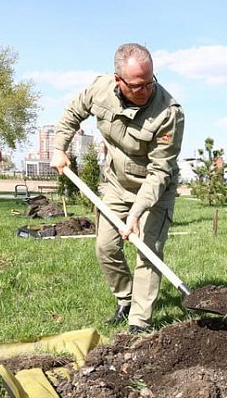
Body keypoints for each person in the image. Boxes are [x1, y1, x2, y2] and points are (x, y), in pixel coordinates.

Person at [50, 43, 184, 335]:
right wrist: (59, 148)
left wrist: (136, 213)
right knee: (106, 247)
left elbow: (160, 170)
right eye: (137, 86)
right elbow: (73, 112)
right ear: (118, 80)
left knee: (148, 252)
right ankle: (126, 299)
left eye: (150, 82)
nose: (146, 90)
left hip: (154, 191)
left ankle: (139, 322)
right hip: (116, 184)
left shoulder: (169, 113)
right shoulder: (100, 89)